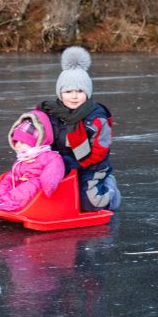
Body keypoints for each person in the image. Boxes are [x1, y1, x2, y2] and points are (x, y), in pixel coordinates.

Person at [39, 46, 121, 212]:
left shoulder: (96, 118)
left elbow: (100, 151)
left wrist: (78, 164)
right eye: (68, 91)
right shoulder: (51, 113)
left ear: (88, 93)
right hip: (60, 164)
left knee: (89, 205)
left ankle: (110, 190)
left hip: (90, 166)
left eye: (79, 91)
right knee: (47, 193)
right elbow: (37, 134)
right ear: (60, 93)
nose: (74, 96)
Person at [0, 110, 66, 212]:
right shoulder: (23, 158)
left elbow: (53, 171)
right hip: (21, 184)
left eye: (22, 142)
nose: (17, 145)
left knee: (31, 185)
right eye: (16, 141)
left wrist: (49, 184)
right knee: (8, 178)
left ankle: (7, 204)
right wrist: (10, 179)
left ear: (36, 141)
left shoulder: (51, 156)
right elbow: (16, 172)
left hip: (38, 191)